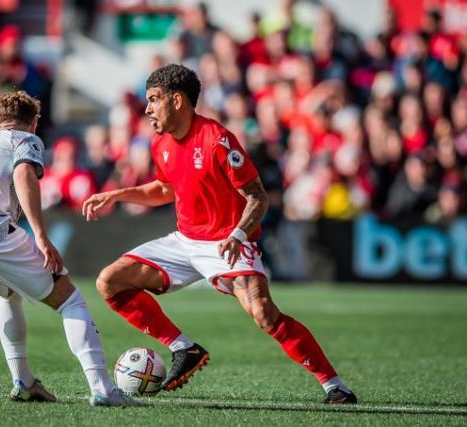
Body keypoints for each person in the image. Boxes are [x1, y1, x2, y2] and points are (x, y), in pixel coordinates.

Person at [82, 64, 357, 404]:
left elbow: (258, 196)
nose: (148, 109)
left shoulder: (217, 139)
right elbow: (166, 189)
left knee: (263, 313)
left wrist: (239, 234)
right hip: (184, 241)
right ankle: (184, 349)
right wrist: (117, 194)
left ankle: (334, 385)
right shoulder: (161, 144)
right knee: (109, 281)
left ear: (177, 101)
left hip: (228, 242)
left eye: (154, 99)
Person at [0, 90, 136, 407]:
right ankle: (104, 390)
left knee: (8, 292)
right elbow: (24, 172)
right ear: (34, 122)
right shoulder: (23, 139)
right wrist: (40, 234)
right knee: (70, 301)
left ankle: (24, 383)